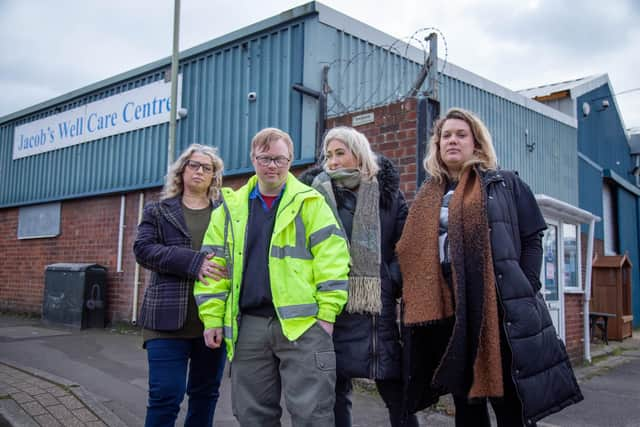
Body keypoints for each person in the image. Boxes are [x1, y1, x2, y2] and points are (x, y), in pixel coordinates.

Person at [397, 108, 583, 427]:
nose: (452, 140)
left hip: (499, 315)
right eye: (446, 136)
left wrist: (525, 287)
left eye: (461, 134)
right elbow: (408, 252)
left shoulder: (504, 185)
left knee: (513, 407)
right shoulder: (426, 197)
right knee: (467, 408)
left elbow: (532, 237)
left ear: (477, 144)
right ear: (437, 145)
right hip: (450, 318)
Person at [194, 127, 350, 426]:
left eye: (280, 159)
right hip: (249, 326)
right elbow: (214, 271)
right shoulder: (228, 210)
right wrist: (212, 318)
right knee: (253, 416)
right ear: (253, 158)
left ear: (290, 160)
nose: (272, 166)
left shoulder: (311, 203)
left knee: (313, 415)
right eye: (265, 158)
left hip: (305, 325)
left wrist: (327, 314)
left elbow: (334, 260)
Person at [299, 126, 417, 427]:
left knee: (397, 395)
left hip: (377, 311)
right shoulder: (313, 198)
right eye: (329, 155)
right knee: (335, 394)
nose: (333, 161)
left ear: (359, 154)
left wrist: (388, 279)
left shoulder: (387, 195)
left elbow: (407, 247)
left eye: (341, 153)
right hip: (331, 308)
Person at [133, 144, 227, 427]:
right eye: (194, 165)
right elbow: (143, 250)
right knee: (165, 395)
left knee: (205, 395)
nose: (200, 171)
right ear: (182, 170)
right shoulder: (158, 211)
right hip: (165, 321)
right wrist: (193, 262)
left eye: (207, 168)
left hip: (212, 322)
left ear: (214, 176)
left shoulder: (225, 214)